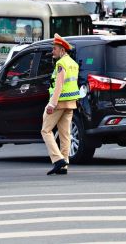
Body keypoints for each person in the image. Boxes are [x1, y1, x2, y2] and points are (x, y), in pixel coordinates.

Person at [40, 34, 80, 176]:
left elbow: (59, 85)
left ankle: (58, 160)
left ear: (62, 50)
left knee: (45, 131)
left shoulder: (61, 64)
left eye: (55, 49)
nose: (53, 51)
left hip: (59, 102)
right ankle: (64, 165)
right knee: (65, 134)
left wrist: (52, 104)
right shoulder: (73, 64)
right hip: (70, 103)